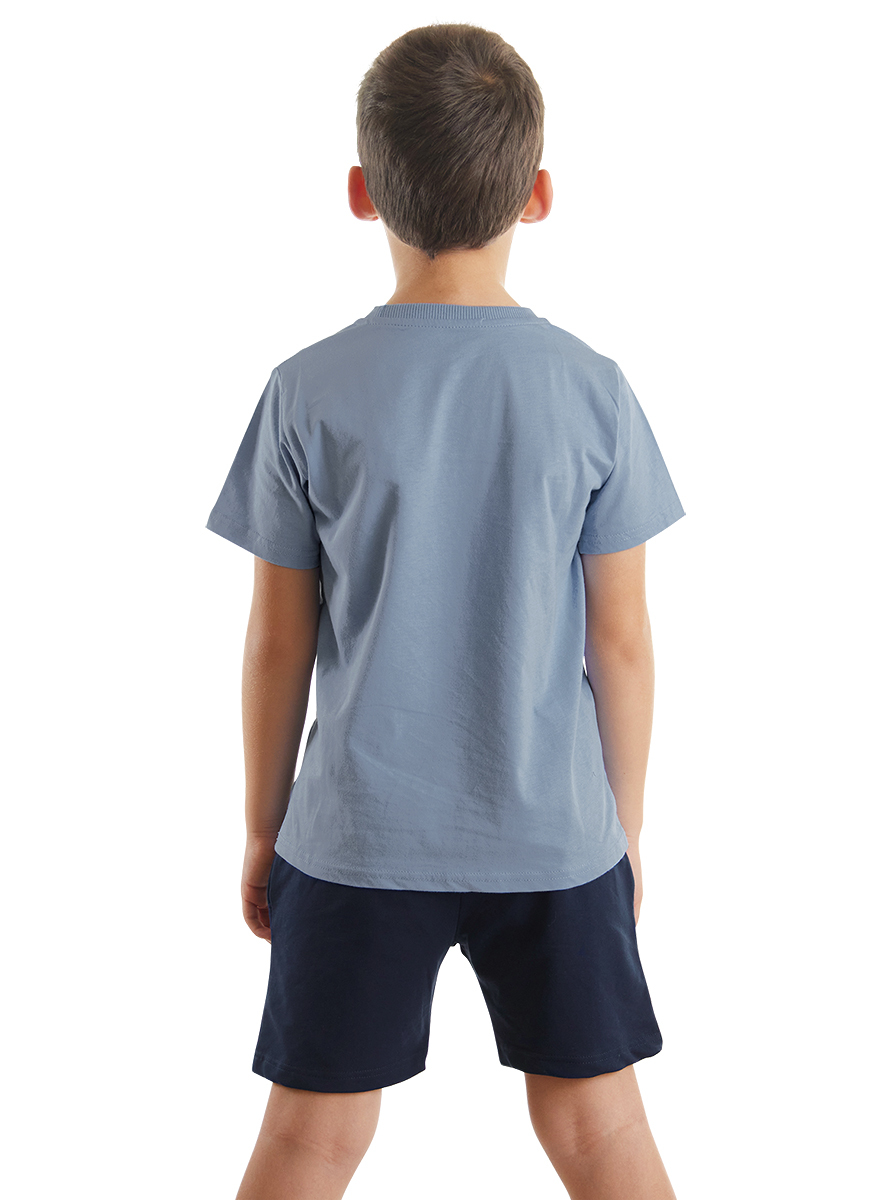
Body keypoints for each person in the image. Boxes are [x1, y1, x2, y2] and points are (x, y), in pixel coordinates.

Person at [206, 22, 684, 1200]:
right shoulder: (594, 391)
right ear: (539, 194)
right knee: (601, 1135)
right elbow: (621, 641)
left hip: (357, 839)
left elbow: (278, 641)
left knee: (311, 1142)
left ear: (362, 192)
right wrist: (620, 831)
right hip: (555, 835)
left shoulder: (305, 392)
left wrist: (265, 828)